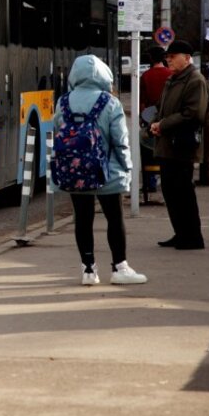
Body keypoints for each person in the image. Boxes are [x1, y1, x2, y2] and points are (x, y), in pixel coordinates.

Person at [51, 54, 148, 286]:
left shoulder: (63, 102)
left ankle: (88, 270)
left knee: (82, 219)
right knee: (114, 218)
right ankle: (119, 267)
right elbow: (120, 141)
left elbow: (57, 130)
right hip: (108, 170)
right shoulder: (109, 102)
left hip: (75, 170)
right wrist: (128, 167)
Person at [149, 39, 209, 250]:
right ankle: (180, 232)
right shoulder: (172, 79)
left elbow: (193, 113)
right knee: (170, 190)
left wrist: (163, 124)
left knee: (183, 191)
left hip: (182, 145)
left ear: (186, 57)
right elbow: (162, 107)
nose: (169, 61)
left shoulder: (194, 80)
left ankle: (193, 236)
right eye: (167, 57)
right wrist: (155, 122)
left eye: (172, 57)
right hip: (167, 144)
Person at [139, 45, 172, 203]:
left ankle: (150, 182)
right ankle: (167, 179)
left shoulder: (146, 75)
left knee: (149, 149)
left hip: (150, 116)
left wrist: (142, 118)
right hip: (168, 116)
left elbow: (142, 101)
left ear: (151, 58)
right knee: (167, 149)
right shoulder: (170, 74)